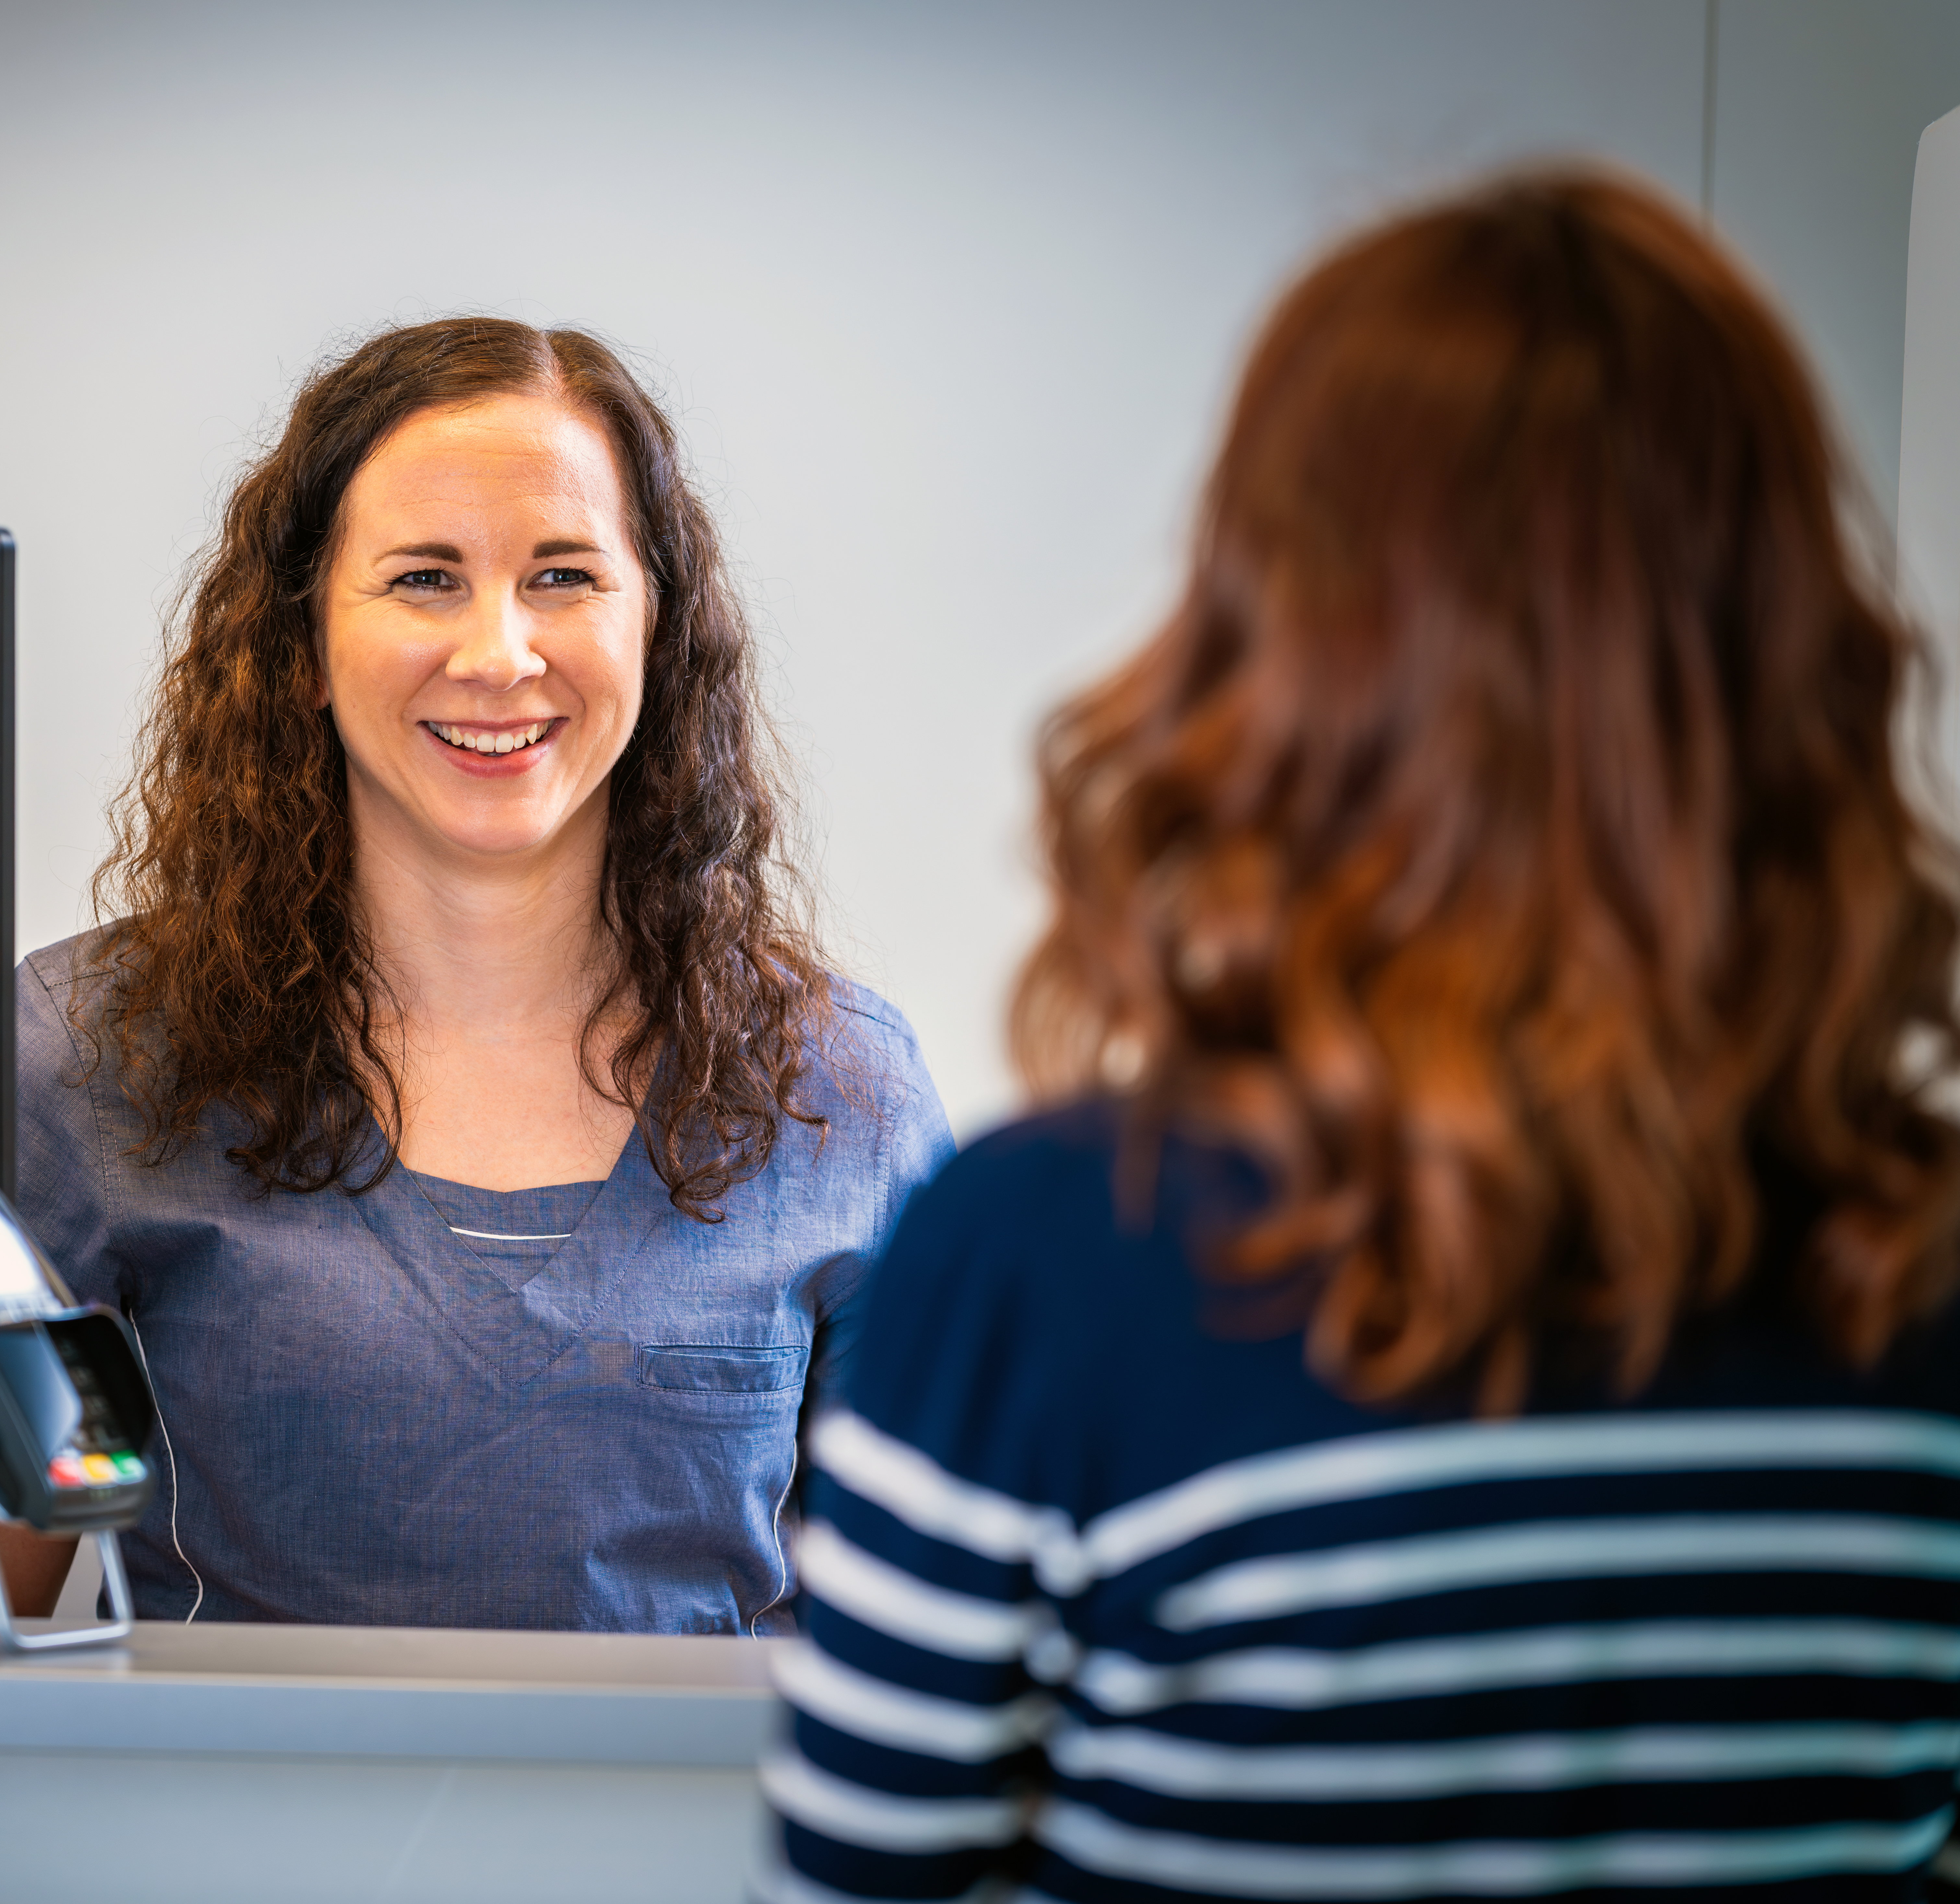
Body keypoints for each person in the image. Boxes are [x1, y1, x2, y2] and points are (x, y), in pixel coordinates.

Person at [761, 171, 1960, 1901]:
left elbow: (855, 1885)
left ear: (1274, 634)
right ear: (1790, 641)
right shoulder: (1917, 1261)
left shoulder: (1035, 1256)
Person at [0, 316, 951, 1631]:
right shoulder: (82, 1066)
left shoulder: (843, 1093)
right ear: (301, 640)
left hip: (696, 1842)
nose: (499, 655)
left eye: (564, 575)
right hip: (228, 1838)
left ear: (658, 625)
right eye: (423, 579)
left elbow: (919, 1642)